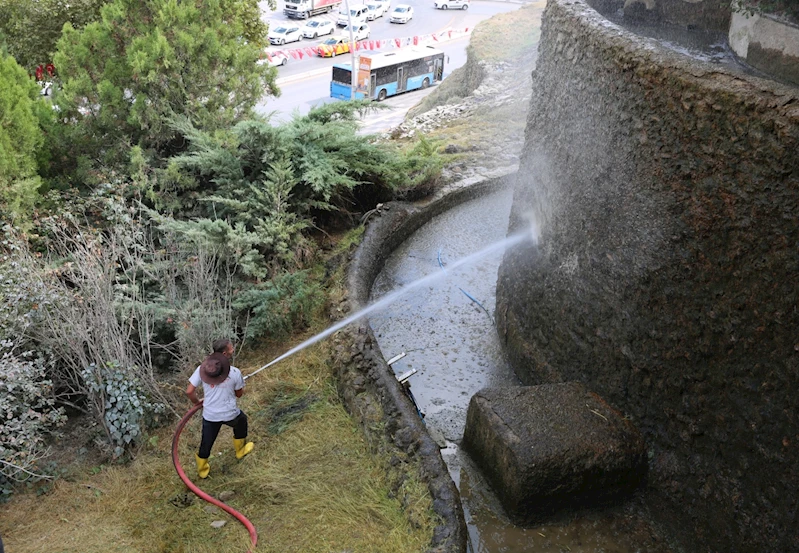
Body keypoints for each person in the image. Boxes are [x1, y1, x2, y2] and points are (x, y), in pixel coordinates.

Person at [186, 338, 254, 479]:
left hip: (210, 415)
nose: (233, 350)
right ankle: (240, 451)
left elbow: (189, 391)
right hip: (230, 414)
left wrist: (196, 402)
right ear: (224, 353)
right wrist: (239, 385)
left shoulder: (202, 368)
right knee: (241, 421)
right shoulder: (235, 372)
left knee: (206, 442)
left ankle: (202, 470)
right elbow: (239, 395)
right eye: (231, 348)